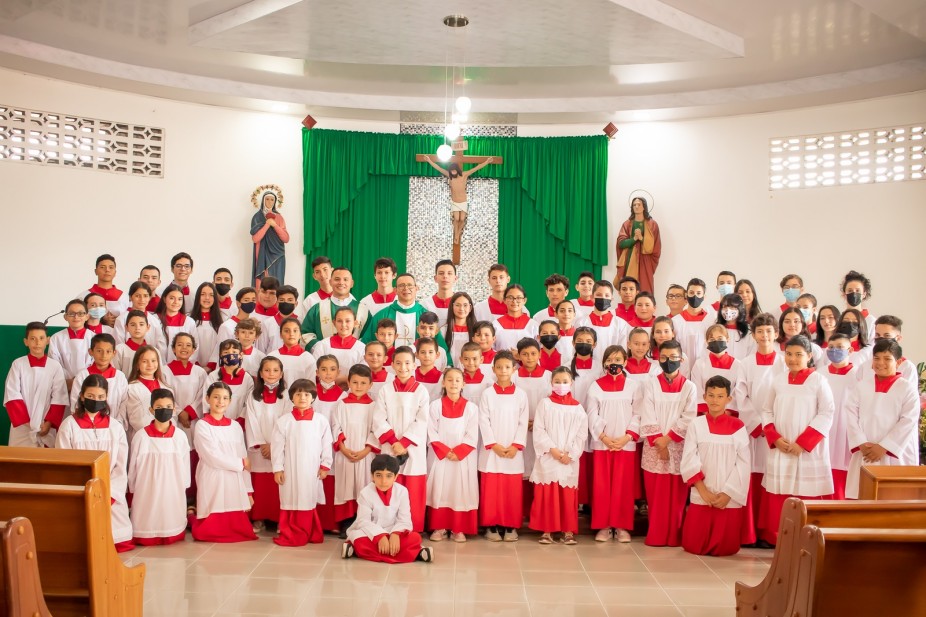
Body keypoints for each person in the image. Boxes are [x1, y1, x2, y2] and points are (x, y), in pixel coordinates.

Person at [760, 335, 834, 545]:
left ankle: (807, 537)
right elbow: (766, 409)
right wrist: (775, 437)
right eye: (789, 354)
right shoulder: (779, 380)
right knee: (780, 490)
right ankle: (778, 537)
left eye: (798, 354)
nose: (793, 359)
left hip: (806, 449)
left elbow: (827, 412)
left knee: (805, 492)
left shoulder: (818, 380)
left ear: (809, 356)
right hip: (782, 446)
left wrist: (804, 442)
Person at [57, 374, 134, 552]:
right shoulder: (69, 426)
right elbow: (64, 463)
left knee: (115, 541)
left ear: (106, 397)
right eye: (91, 396)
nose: (96, 400)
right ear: (82, 396)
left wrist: (110, 493)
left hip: (110, 492)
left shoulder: (115, 427)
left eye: (100, 397)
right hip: (81, 489)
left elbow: (120, 466)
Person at [680, 375, 750, 556]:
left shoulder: (738, 426)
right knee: (693, 545)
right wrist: (703, 491)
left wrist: (728, 493)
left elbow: (743, 463)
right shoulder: (696, 424)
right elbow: (689, 458)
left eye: (720, 396)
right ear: (704, 397)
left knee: (726, 548)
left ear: (729, 399)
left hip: (728, 495)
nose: (715, 400)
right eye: (711, 395)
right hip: (703, 491)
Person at [844, 339, 920, 499]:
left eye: (887, 359)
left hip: (893, 455)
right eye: (877, 358)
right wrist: (861, 442)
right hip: (864, 451)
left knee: (893, 499)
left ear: (898, 362)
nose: (880, 363)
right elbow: (850, 414)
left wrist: (884, 447)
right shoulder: (862, 386)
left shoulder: (907, 389)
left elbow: (908, 421)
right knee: (862, 497)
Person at [640, 339, 697, 547]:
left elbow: (689, 417)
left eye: (673, 358)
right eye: (663, 358)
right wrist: (659, 443)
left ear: (681, 359)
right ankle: (656, 536)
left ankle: (674, 537)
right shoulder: (651, 384)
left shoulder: (689, 387)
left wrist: (668, 440)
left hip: (678, 447)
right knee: (656, 497)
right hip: (654, 448)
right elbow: (647, 414)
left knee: (676, 497)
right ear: (658, 358)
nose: (668, 361)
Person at [735, 313, 785, 547]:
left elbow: (788, 397)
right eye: (760, 331)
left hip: (777, 431)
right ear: (754, 335)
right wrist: (757, 424)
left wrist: (772, 426)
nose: (765, 335)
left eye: (769, 331)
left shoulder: (785, 362)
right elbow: (740, 396)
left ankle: (770, 533)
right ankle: (748, 532)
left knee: (773, 479)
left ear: (776, 334)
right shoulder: (744, 364)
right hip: (753, 431)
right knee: (750, 476)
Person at [372, 346, 431, 532]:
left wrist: (403, 443)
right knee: (389, 485)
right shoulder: (385, 390)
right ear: (391, 365)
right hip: (390, 448)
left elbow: (422, 420)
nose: (403, 367)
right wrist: (393, 442)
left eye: (407, 363)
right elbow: (378, 419)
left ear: (414, 365)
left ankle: (412, 529)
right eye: (398, 363)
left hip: (412, 449)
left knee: (413, 489)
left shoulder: (422, 391)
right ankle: (388, 527)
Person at [586, 345, 641, 543]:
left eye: (618, 359)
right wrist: (604, 437)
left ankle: (622, 526)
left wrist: (627, 437)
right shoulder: (596, 386)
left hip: (625, 444)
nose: (614, 363)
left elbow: (638, 413)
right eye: (610, 360)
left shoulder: (633, 386)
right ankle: (604, 526)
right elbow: (592, 414)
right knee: (602, 486)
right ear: (604, 363)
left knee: (622, 487)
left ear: (625, 362)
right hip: (604, 444)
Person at [190, 382, 257, 542]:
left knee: (238, 524)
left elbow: (243, 456)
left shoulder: (235, 426)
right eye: (216, 397)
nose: (220, 402)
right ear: (207, 399)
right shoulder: (202, 425)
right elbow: (210, 455)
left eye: (225, 398)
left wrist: (248, 491)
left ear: (230, 401)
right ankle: (194, 519)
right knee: (209, 524)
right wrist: (239, 463)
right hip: (212, 475)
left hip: (234, 478)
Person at [530, 367, 589, 545]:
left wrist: (570, 454)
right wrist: (553, 450)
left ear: (571, 383)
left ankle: (568, 530)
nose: (561, 385)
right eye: (557, 381)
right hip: (549, 456)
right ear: (551, 383)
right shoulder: (545, 404)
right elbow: (539, 430)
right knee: (548, 493)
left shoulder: (578, 408)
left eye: (565, 382)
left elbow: (581, 434)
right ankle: (547, 530)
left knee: (567, 494)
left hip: (568, 459)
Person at [271, 378, 332, 546]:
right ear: (292, 397)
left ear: (313, 397)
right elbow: (277, 447)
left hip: (311, 469)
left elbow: (327, 444)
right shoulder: (284, 421)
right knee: (290, 497)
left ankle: (309, 531)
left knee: (307, 497)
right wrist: (278, 469)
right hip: (289, 468)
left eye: (306, 394)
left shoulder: (320, 420)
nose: (303, 398)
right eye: (298, 394)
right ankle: (289, 532)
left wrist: (325, 465)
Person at [342, 454, 433, 563]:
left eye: (389, 476)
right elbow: (363, 521)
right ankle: (415, 553)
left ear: (395, 476)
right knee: (357, 538)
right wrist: (380, 536)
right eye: (379, 475)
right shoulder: (365, 493)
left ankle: (357, 551)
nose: (383, 481)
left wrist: (395, 534)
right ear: (372, 476)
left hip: (394, 530)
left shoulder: (402, 491)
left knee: (415, 538)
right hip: (370, 532)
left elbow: (405, 520)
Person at [128, 388, 191, 546]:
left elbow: (185, 465)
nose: (164, 411)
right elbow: (133, 468)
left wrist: (183, 485)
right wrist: (133, 488)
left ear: (174, 409)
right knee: (148, 512)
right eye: (159, 408)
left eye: (169, 407)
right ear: (151, 410)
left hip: (173, 486)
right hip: (147, 488)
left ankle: (172, 531)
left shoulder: (180, 436)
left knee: (170, 511)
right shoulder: (141, 436)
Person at [477, 351, 528, 542]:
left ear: (514, 369)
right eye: (499, 367)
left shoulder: (521, 395)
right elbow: (484, 420)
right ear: (493, 369)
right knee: (492, 489)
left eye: (507, 367)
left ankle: (510, 526)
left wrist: (516, 445)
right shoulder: (487, 394)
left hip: (513, 450)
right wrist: (493, 445)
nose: (503, 370)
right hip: (493, 450)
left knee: (511, 491)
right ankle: (491, 526)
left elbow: (523, 422)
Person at [426, 368, 479, 542]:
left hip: (462, 458)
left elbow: (472, 434)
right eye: (450, 380)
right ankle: (439, 527)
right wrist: (444, 451)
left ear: (463, 383)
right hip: (440, 457)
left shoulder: (471, 408)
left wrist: (458, 452)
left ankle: (459, 528)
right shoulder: (435, 406)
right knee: (440, 489)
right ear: (443, 383)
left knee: (460, 490)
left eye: (457, 380)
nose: (454, 383)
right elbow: (431, 431)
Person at [331, 364, 379, 538]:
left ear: (370, 385)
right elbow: (336, 427)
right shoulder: (341, 404)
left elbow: (376, 429)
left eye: (363, 383)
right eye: (355, 382)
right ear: (349, 383)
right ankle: (346, 522)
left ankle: (363, 522)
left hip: (365, 454)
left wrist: (366, 450)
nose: (359, 386)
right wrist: (343, 448)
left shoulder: (374, 406)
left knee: (364, 485)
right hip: (346, 453)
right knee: (346, 486)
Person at [4, 321, 67, 447]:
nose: (37, 342)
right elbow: (12, 395)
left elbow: (59, 397)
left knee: (45, 464)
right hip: (22, 427)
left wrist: (48, 423)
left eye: (41, 338)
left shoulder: (54, 366)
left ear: (47, 340)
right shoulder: (18, 364)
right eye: (32, 339)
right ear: (26, 341)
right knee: (20, 462)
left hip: (46, 426)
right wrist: (29, 423)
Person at [245, 357, 288, 532]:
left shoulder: (286, 395)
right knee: (260, 484)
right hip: (259, 449)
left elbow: (286, 420)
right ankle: (259, 518)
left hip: (278, 447)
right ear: (261, 374)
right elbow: (251, 420)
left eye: (275, 370)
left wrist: (274, 445)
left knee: (278, 483)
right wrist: (262, 443)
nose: (271, 374)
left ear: (282, 373)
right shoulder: (253, 395)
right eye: (267, 370)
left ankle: (280, 519)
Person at [512, 338, 553, 511]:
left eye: (533, 354)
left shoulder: (549, 376)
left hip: (542, 428)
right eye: (525, 354)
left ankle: (539, 510)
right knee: (522, 466)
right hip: (518, 428)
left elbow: (552, 402)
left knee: (539, 465)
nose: (529, 358)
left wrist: (538, 422)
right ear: (519, 356)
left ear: (540, 354)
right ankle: (522, 510)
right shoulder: (513, 376)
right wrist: (521, 422)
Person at [422, 154, 496, 249]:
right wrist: (429, 160)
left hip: (463, 201)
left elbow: (476, 168)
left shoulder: (464, 175)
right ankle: (456, 235)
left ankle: (457, 234)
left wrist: (487, 161)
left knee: (462, 220)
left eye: (454, 170)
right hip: (455, 202)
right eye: (451, 171)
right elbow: (438, 168)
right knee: (456, 219)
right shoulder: (449, 176)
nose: (453, 172)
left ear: (457, 170)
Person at [821, 333, 858, 500]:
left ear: (850, 350)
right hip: (824, 430)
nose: (834, 351)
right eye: (831, 347)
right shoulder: (820, 374)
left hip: (846, 430)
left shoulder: (858, 375)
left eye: (840, 347)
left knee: (844, 472)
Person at [303, 267, 370, 348]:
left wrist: (355, 349)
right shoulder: (317, 309)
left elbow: (369, 336)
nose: (341, 283)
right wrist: (321, 348)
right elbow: (305, 334)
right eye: (337, 279)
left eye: (345, 279)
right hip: (325, 357)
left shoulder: (363, 310)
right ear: (330, 282)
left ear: (352, 283)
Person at [120, 345, 172, 443]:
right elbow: (135, 418)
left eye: (153, 360)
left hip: (166, 436)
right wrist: (155, 431)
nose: (150, 365)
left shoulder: (166, 387)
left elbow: (173, 415)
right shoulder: (131, 388)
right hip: (143, 437)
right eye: (144, 361)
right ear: (137, 365)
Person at [68, 333, 128, 418]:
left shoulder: (120, 377)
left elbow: (124, 405)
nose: (104, 355)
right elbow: (76, 404)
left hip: (113, 426)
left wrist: (116, 425)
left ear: (114, 353)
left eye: (108, 351)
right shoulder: (82, 376)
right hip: (86, 426)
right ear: (91, 352)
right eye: (99, 351)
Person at [691, 325, 745, 417]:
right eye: (712, 340)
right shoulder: (700, 364)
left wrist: (727, 412)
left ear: (727, 339)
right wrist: (707, 412)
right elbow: (697, 391)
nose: (716, 342)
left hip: (728, 415)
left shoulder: (738, 365)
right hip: (705, 415)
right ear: (706, 342)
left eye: (720, 338)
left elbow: (737, 392)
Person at [362, 273, 426, 347]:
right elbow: (367, 345)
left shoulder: (425, 316)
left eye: (410, 285)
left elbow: (438, 347)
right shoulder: (382, 315)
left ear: (416, 288)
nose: (406, 288)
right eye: (401, 285)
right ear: (395, 290)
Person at [614, 195, 661, 294]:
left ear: (644, 207)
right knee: (629, 287)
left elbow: (655, 247)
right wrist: (634, 239)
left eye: (639, 204)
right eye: (634, 204)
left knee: (645, 286)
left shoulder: (652, 224)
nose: (636, 206)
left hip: (645, 261)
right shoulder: (627, 224)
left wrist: (642, 238)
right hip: (629, 259)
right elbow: (621, 243)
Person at [574, 280, 630, 361]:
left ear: (612, 298)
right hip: (587, 368)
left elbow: (622, 352)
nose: (603, 298)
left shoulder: (620, 324)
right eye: (599, 295)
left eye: (607, 295)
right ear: (592, 297)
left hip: (610, 369)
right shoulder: (581, 322)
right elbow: (575, 350)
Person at [858, 315, 918, 386]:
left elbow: (909, 394)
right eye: (877, 335)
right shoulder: (865, 366)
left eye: (887, 336)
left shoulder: (907, 367)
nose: (881, 339)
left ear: (898, 338)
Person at [206, 340, 255, 425]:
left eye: (234, 352)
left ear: (241, 355)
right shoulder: (213, 376)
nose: (230, 355)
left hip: (240, 424)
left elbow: (249, 403)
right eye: (226, 352)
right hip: (215, 423)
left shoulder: (247, 379)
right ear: (221, 356)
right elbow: (206, 400)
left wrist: (241, 420)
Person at [312, 307, 365, 385]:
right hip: (325, 389)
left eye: (347, 321)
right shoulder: (323, 345)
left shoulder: (362, 348)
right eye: (339, 321)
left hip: (352, 390)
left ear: (355, 323)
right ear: (334, 322)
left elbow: (363, 374)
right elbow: (314, 370)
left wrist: (345, 379)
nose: (343, 325)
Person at [48, 299, 93, 391]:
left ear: (87, 316)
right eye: (72, 313)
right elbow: (54, 363)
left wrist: (81, 379)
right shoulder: (56, 338)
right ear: (65, 317)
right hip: (63, 384)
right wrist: (69, 381)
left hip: (88, 384)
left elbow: (95, 362)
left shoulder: (94, 338)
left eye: (80, 313)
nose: (76, 317)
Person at [251, 187, 289, 286]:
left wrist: (275, 225)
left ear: (275, 202)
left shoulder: (279, 217)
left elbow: (286, 238)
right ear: (263, 200)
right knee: (263, 283)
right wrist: (267, 224)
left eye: (272, 199)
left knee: (277, 283)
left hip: (278, 254)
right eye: (267, 199)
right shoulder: (257, 217)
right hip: (262, 255)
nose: (270, 202)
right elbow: (255, 239)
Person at [671, 278, 714, 365]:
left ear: (704, 296)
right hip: (681, 366)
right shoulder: (676, 321)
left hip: (704, 366)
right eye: (691, 293)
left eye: (698, 293)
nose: (695, 296)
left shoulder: (711, 320)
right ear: (686, 295)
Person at [151, 284, 196, 363]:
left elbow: (195, 346)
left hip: (182, 367)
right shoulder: (154, 320)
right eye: (172, 298)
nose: (176, 302)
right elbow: (151, 344)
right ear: (164, 299)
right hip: (158, 365)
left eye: (179, 299)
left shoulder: (189, 322)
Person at [493, 284, 539, 353]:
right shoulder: (495, 324)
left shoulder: (533, 325)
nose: (514, 301)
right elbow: (491, 349)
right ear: (504, 300)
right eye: (510, 297)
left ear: (524, 300)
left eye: (519, 298)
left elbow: (538, 350)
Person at [85, 254, 128, 326]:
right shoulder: (85, 295)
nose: (107, 270)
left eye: (111, 267)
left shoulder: (124, 297)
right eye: (102, 267)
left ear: (115, 272)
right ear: (95, 271)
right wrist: (101, 320)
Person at [275, 317, 318, 387]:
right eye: (286, 331)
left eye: (295, 331)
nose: (291, 334)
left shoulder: (308, 358)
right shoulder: (273, 356)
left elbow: (310, 386)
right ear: (280, 334)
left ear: (300, 335)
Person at [190, 282, 223, 370]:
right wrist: (196, 365)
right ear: (197, 297)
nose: (207, 298)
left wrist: (211, 366)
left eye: (211, 295)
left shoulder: (222, 320)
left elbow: (221, 345)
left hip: (214, 368)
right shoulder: (189, 320)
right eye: (203, 294)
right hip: (193, 367)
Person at [114, 310, 156, 375]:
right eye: (133, 325)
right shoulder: (119, 350)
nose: (137, 328)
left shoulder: (154, 351)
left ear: (148, 327)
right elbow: (116, 375)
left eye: (141, 324)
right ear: (126, 327)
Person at [420, 259, 459, 328]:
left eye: (449, 273)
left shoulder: (462, 305)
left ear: (455, 278)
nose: (445, 276)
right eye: (441, 273)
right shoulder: (425, 305)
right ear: (435, 278)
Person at [840, 270, 876, 342]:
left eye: (857, 291)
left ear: (864, 294)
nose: (854, 293)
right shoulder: (839, 319)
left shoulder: (871, 321)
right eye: (850, 291)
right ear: (844, 294)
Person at [716, 294, 754, 360]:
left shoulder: (749, 331)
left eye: (732, 307)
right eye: (724, 306)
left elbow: (752, 354)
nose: (728, 310)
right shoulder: (716, 329)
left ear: (740, 308)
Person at [444, 292, 475, 367]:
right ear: (452, 307)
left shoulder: (476, 330)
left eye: (465, 305)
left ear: (470, 308)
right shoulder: (444, 330)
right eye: (457, 305)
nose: (461, 309)